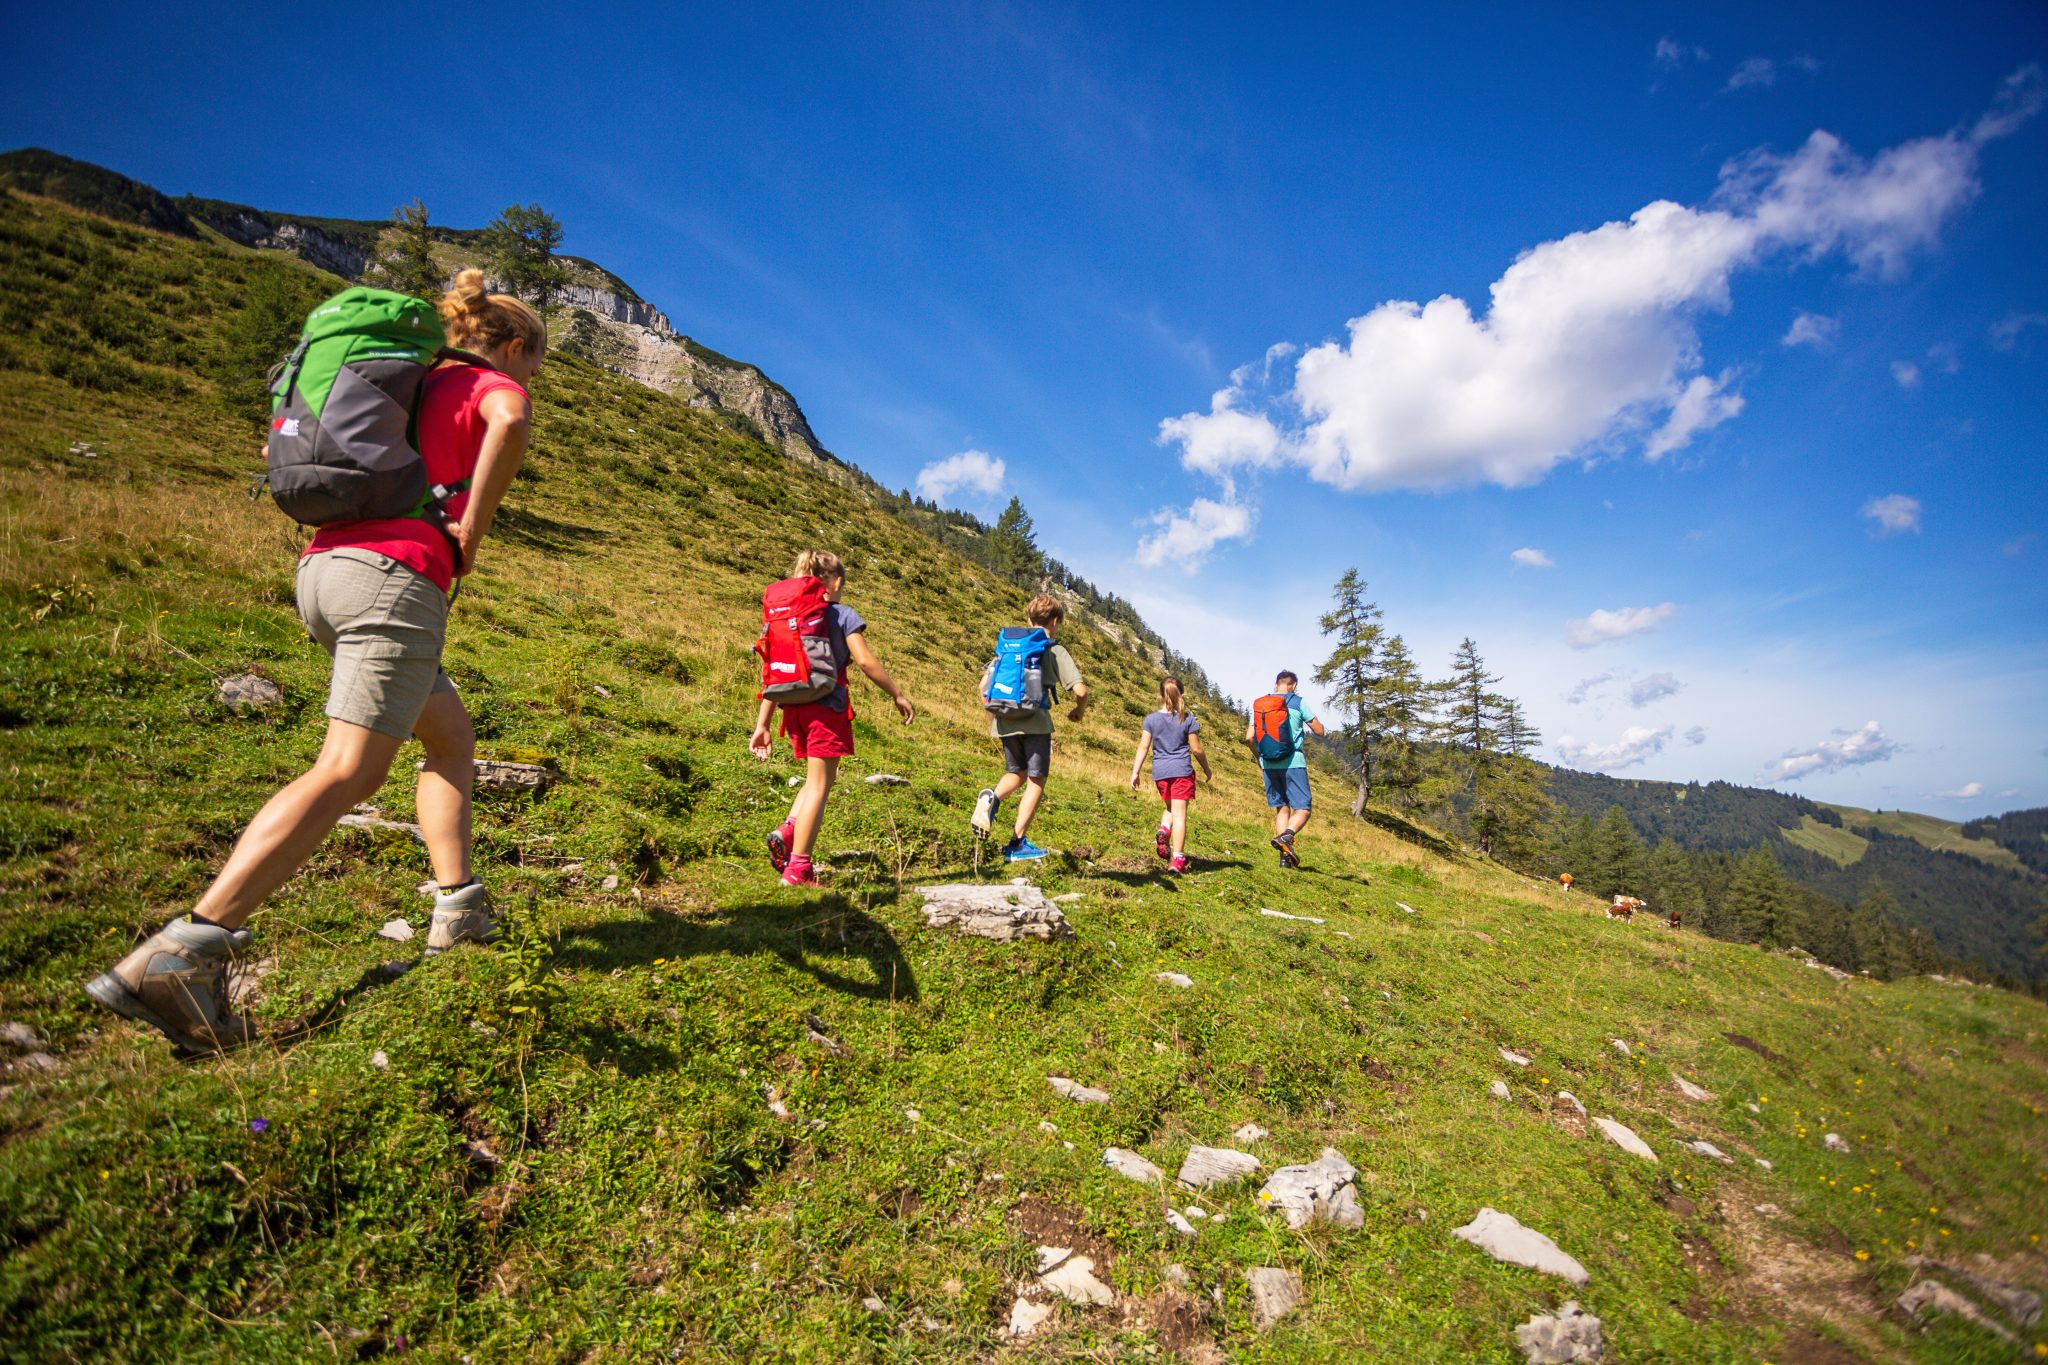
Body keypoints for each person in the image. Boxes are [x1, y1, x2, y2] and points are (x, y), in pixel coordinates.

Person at [86, 269, 543, 1055]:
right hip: (393, 578)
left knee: (449, 736)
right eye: (534, 360)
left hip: (327, 570)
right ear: (511, 344)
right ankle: (185, 950)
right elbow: (510, 420)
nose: (532, 376)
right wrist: (471, 527)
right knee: (348, 768)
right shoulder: (480, 380)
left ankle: (459, 906)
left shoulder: (401, 380)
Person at [749, 550, 915, 887]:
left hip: (792, 708)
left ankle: (789, 830)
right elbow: (865, 661)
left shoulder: (787, 618)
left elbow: (774, 674)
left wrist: (762, 725)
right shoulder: (841, 614)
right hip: (827, 708)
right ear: (836, 582)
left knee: (815, 780)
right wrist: (897, 694)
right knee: (820, 786)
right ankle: (798, 869)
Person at [969, 594, 1088, 861]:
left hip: (1005, 720)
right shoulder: (1053, 649)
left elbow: (983, 687)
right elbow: (1080, 690)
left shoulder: (1009, 647)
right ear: (1056, 621)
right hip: (1036, 722)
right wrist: (1079, 711)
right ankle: (1017, 844)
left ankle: (991, 797)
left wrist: (995, 717)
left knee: (1016, 772)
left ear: (1028, 618)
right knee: (1036, 780)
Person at [1128, 675, 1211, 874]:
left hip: (1160, 772)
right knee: (1180, 815)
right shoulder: (1187, 718)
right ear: (1181, 694)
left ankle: (1164, 828)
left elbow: (1143, 746)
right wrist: (1207, 769)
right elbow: (1196, 749)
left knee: (1170, 807)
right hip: (1181, 771)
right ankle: (1177, 859)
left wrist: (1135, 772)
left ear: (1160, 695)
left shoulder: (1151, 719)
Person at [1246, 669, 1325, 869]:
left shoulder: (1261, 705)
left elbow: (1249, 737)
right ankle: (1286, 836)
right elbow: (1319, 731)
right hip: (1292, 762)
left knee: (1282, 808)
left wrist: (1259, 758)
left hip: (1268, 763)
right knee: (1303, 809)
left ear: (1276, 684)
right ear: (1294, 685)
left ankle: (1285, 859)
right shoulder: (1298, 702)